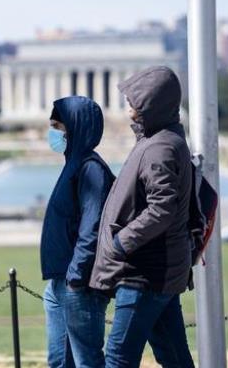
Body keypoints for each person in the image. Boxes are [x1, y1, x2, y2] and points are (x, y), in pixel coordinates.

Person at [89, 66, 195, 368]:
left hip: (143, 273)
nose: (128, 106)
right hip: (160, 270)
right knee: (174, 358)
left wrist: (122, 242)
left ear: (151, 103)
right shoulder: (161, 139)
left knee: (119, 359)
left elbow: (162, 209)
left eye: (134, 100)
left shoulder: (160, 148)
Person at [40, 96, 115, 368]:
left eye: (56, 126)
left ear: (74, 128)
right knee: (60, 361)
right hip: (60, 283)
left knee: (87, 363)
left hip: (78, 284)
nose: (52, 134)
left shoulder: (91, 169)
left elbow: (92, 228)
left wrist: (75, 277)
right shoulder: (73, 164)